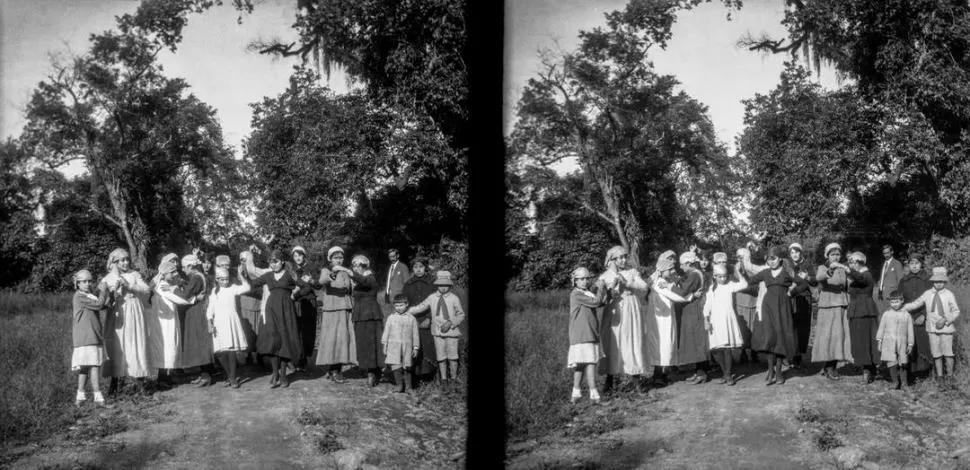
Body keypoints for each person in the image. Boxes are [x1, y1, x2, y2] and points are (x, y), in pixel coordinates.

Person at [242, 249, 307, 389]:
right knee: (273, 341)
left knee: (284, 341)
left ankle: (283, 375)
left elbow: (305, 286)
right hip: (271, 309)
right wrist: (243, 273)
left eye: (276, 262)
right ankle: (275, 373)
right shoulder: (268, 275)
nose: (274, 265)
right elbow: (252, 283)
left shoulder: (290, 274)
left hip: (286, 311)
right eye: (271, 262)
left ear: (282, 261)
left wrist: (295, 296)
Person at [740, 246, 799, 385]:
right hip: (767, 308)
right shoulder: (765, 273)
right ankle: (770, 372)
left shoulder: (786, 273)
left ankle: (779, 373)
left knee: (780, 340)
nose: (771, 262)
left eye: (774, 258)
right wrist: (738, 272)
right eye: (769, 259)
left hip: (782, 309)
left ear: (780, 259)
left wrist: (791, 292)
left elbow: (801, 284)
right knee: (770, 339)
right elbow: (750, 281)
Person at [598, 246, 650, 392]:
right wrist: (611, 289)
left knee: (632, 341)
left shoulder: (632, 272)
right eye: (619, 258)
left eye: (624, 257)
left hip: (631, 309)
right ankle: (609, 382)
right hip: (615, 311)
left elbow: (644, 287)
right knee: (614, 343)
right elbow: (601, 298)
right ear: (612, 260)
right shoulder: (605, 276)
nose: (623, 260)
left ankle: (637, 382)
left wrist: (627, 283)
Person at [100, 248, 153, 394]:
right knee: (118, 346)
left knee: (135, 343)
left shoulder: (134, 274)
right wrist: (112, 294)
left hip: (134, 311)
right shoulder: (107, 278)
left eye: (127, 259)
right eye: (121, 260)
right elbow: (103, 300)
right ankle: (116, 383)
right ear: (114, 262)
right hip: (118, 314)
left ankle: (140, 382)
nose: (125, 263)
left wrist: (129, 286)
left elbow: (147, 290)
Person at [405, 270, 466, 385]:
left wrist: (451, 323)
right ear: (437, 285)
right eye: (440, 285)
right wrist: (407, 311)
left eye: (446, 285)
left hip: (452, 332)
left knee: (452, 356)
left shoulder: (454, 298)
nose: (443, 288)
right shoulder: (432, 298)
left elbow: (461, 314)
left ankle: (453, 379)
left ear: (450, 285)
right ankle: (443, 379)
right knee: (441, 357)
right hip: (437, 332)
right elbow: (421, 306)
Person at [902, 267, 961, 382]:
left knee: (948, 353)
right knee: (936, 353)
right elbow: (916, 303)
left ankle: (950, 376)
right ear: (932, 282)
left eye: (941, 282)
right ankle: (939, 376)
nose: (938, 284)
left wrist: (946, 319)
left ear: (945, 282)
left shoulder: (949, 294)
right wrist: (902, 308)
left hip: (946, 328)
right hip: (932, 328)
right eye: (936, 281)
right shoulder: (927, 294)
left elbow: (956, 311)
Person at [146, 253, 195, 387]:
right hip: (164, 323)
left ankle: (166, 376)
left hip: (170, 320)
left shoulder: (166, 284)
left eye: (175, 272)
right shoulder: (161, 286)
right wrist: (193, 299)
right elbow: (179, 300)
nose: (175, 275)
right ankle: (162, 378)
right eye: (172, 272)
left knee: (170, 346)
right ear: (164, 274)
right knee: (165, 347)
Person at [644, 255, 689, 386]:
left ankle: (663, 373)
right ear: (662, 271)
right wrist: (690, 296)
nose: (672, 272)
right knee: (662, 345)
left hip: (666, 317)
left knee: (667, 344)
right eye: (670, 269)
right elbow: (676, 297)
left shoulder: (664, 281)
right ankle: (657, 376)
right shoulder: (658, 283)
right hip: (660, 320)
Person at [315, 246, 357, 383]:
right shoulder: (326, 270)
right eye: (335, 258)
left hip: (344, 307)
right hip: (331, 309)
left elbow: (348, 287)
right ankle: (334, 370)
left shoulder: (345, 272)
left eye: (340, 258)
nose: (339, 260)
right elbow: (322, 281)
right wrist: (333, 273)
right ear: (330, 259)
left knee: (342, 339)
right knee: (332, 339)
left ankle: (335, 369)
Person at [72, 269, 113, 407]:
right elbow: (99, 304)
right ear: (77, 283)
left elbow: (104, 304)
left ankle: (80, 398)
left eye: (89, 281)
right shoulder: (79, 296)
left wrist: (110, 293)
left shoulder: (88, 295)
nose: (87, 284)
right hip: (87, 337)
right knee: (94, 366)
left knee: (84, 368)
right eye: (84, 281)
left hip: (91, 336)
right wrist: (102, 290)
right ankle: (98, 398)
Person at [811, 243, 852, 380]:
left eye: (838, 254)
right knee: (828, 337)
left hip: (841, 305)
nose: (836, 257)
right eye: (832, 254)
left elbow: (848, 285)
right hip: (828, 306)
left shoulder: (842, 268)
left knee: (838, 337)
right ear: (827, 256)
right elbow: (819, 278)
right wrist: (830, 269)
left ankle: (830, 366)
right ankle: (829, 367)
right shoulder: (823, 267)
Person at [206, 265, 251, 389]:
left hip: (231, 321)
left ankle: (232, 377)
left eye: (226, 279)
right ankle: (229, 375)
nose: (225, 282)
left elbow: (247, 287)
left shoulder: (233, 289)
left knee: (231, 350)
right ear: (217, 280)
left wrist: (241, 276)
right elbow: (210, 308)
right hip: (219, 323)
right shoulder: (214, 291)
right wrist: (210, 322)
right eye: (222, 279)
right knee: (220, 352)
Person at [567, 267, 607, 403]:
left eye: (586, 278)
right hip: (583, 334)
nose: (585, 281)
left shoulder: (585, 293)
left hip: (588, 333)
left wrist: (605, 289)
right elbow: (596, 302)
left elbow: (600, 301)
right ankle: (594, 396)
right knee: (590, 363)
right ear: (575, 281)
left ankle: (576, 394)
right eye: (581, 279)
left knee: (580, 365)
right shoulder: (576, 294)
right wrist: (601, 287)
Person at [703, 263, 748, 385]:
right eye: (720, 277)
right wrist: (706, 320)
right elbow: (707, 305)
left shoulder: (729, 286)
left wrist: (737, 272)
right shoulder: (711, 289)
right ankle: (725, 373)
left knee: (727, 348)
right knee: (717, 349)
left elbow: (744, 284)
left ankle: (728, 375)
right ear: (715, 276)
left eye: (724, 276)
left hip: (727, 319)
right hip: (715, 321)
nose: (723, 279)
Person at [673, 251, 711, 384]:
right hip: (691, 308)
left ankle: (702, 373)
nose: (681, 267)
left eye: (682, 264)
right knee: (694, 340)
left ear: (689, 263)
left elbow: (683, 291)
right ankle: (698, 371)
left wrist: (671, 286)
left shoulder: (694, 275)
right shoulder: (693, 274)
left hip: (695, 309)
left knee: (698, 340)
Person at [843, 252, 881, 383]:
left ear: (860, 262)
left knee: (865, 340)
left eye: (853, 262)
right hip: (856, 310)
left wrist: (848, 271)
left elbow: (861, 279)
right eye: (850, 262)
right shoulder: (856, 275)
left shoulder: (866, 274)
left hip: (865, 310)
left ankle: (868, 369)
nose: (851, 265)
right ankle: (867, 367)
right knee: (859, 340)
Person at [178, 253, 215, 387]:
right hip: (195, 310)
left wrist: (174, 291)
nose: (183, 270)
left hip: (197, 312)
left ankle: (206, 376)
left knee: (201, 342)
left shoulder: (195, 278)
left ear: (190, 266)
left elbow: (184, 295)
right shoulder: (197, 276)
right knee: (198, 342)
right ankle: (203, 374)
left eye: (184, 267)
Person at [349, 254, 386, 387]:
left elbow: (365, 283)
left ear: (364, 266)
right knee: (362, 342)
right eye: (353, 265)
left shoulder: (370, 277)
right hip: (360, 314)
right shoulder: (357, 280)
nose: (355, 268)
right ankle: (366, 367)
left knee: (372, 343)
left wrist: (349, 273)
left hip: (371, 313)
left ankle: (373, 372)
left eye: (358, 265)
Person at [402, 257, 437, 384]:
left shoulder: (432, 283)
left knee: (428, 346)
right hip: (412, 320)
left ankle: (428, 376)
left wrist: (429, 318)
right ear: (412, 269)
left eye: (421, 267)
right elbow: (404, 303)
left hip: (428, 319)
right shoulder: (408, 284)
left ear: (425, 268)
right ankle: (414, 376)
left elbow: (435, 303)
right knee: (414, 346)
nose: (418, 270)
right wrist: (410, 319)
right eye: (415, 267)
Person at [897, 254, 933, 376]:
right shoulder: (904, 280)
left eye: (917, 263)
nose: (914, 266)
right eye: (912, 263)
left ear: (921, 264)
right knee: (909, 342)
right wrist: (906, 315)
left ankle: (925, 371)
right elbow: (900, 299)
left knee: (923, 342)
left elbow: (931, 299)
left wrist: (923, 315)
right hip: (908, 316)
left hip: (923, 316)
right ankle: (910, 371)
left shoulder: (928, 280)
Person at [382, 294, 421, 394]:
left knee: (407, 366)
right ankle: (399, 385)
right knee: (396, 365)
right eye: (396, 306)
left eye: (401, 305)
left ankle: (408, 387)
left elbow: (415, 334)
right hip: (394, 347)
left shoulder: (411, 318)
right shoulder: (391, 318)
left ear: (406, 304)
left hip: (407, 347)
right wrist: (385, 345)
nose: (399, 308)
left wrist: (415, 347)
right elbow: (386, 332)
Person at [876, 290, 914, 390]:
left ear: (902, 301)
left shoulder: (906, 315)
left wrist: (910, 344)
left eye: (897, 302)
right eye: (892, 302)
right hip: (889, 343)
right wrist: (879, 341)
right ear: (890, 303)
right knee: (891, 362)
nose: (895, 304)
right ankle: (895, 382)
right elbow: (881, 328)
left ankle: (904, 383)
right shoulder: (886, 314)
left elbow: (910, 331)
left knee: (903, 362)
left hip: (902, 343)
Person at [291, 246, 321, 373]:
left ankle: (306, 360)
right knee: (296, 331)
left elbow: (315, 285)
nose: (298, 258)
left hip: (308, 301)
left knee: (308, 331)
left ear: (304, 256)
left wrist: (296, 294)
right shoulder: (291, 270)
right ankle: (298, 360)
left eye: (300, 255)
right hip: (296, 303)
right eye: (295, 256)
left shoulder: (311, 268)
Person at [787, 243, 816, 369]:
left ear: (801, 253)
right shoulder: (788, 265)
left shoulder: (807, 264)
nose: (795, 255)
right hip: (790, 299)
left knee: (803, 328)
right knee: (791, 326)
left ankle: (799, 356)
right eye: (792, 252)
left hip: (804, 298)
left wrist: (808, 277)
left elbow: (813, 282)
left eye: (797, 252)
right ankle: (792, 355)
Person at [734, 247, 759, 364]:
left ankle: (754, 352)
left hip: (754, 301)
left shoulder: (752, 267)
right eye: (738, 256)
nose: (740, 259)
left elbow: (756, 284)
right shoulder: (735, 269)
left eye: (742, 256)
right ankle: (743, 352)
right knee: (742, 328)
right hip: (740, 302)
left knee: (754, 327)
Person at [875, 244, 904, 310]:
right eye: (884, 253)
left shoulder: (897, 263)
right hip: (882, 294)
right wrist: (880, 288)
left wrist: (898, 295)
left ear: (892, 252)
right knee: (884, 314)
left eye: (887, 252)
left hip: (893, 295)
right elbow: (882, 278)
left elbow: (900, 280)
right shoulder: (884, 264)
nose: (886, 255)